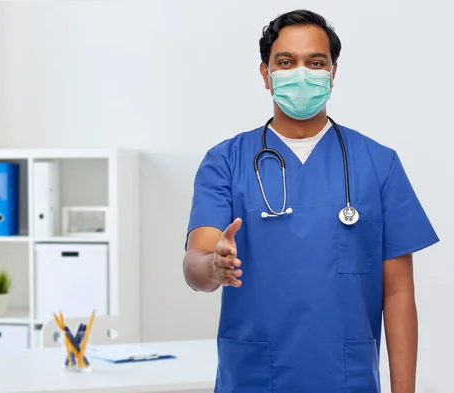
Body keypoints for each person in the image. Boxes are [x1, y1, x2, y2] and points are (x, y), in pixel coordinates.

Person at [183, 9, 439, 393]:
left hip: (346, 378)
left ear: (333, 73)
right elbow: (195, 265)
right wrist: (213, 269)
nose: (301, 73)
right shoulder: (227, 161)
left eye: (315, 62)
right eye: (285, 62)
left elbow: (398, 292)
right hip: (254, 377)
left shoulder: (377, 163)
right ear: (266, 75)